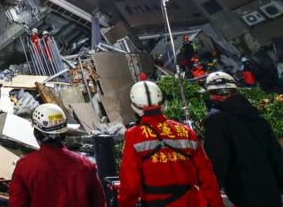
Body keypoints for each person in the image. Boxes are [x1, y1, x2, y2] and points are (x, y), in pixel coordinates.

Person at [119, 80, 223, 207]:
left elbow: (130, 185)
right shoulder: (185, 131)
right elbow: (207, 176)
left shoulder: (134, 136)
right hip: (192, 201)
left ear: (134, 107)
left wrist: (124, 203)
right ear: (161, 103)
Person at [203, 71, 283, 207]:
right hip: (270, 190)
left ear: (211, 94)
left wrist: (210, 194)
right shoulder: (256, 115)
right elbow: (276, 154)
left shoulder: (216, 119)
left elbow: (217, 159)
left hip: (244, 193)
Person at [10, 103, 106, 207]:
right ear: (64, 132)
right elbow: (99, 203)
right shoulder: (85, 165)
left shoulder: (25, 166)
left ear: (36, 133)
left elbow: (17, 203)